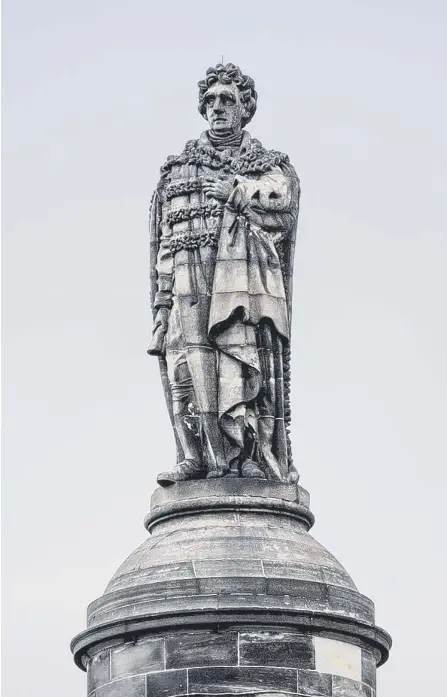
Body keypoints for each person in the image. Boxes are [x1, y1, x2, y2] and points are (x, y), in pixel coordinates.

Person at [148, 63, 300, 486]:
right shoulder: (178, 171)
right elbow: (163, 244)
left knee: (239, 371)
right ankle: (195, 456)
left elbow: (281, 207)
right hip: (186, 289)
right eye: (211, 99)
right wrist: (162, 306)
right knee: (184, 375)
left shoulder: (265, 166)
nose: (217, 107)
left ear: (244, 108)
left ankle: (245, 455)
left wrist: (235, 193)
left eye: (227, 100)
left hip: (239, 294)